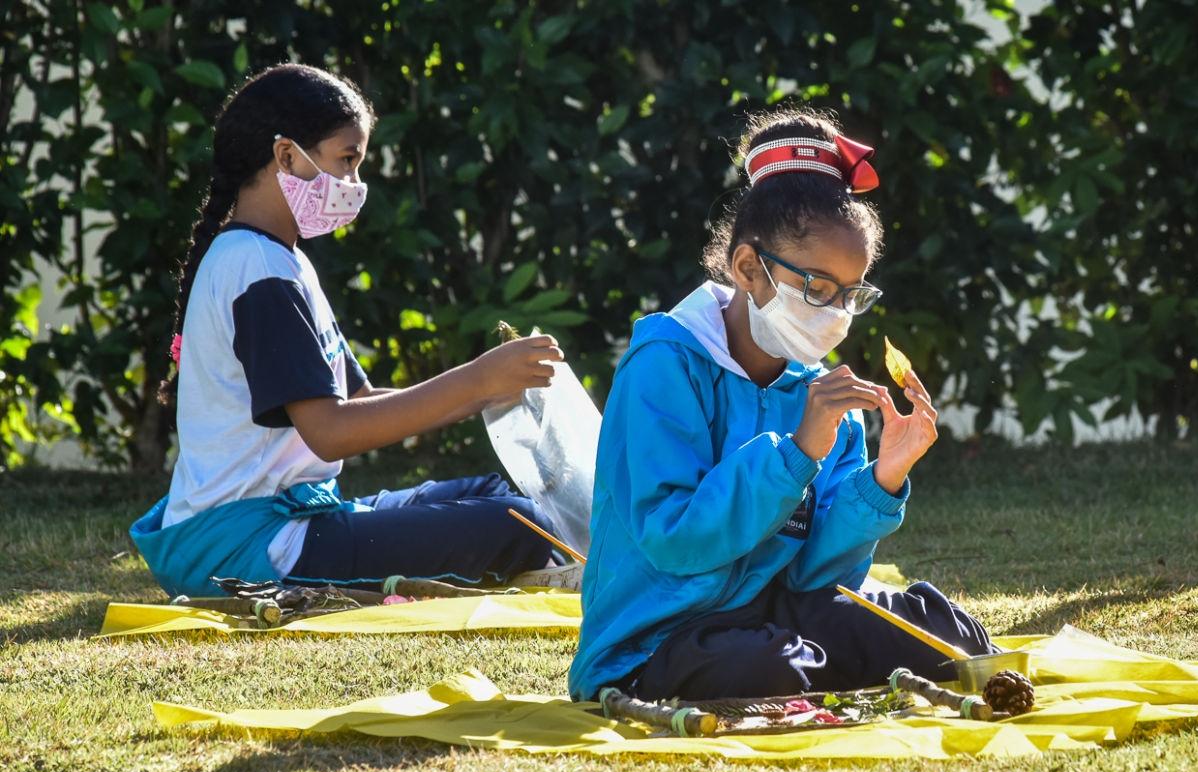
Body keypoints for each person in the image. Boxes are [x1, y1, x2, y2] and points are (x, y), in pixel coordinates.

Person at [568, 108, 997, 702]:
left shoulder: (825, 395)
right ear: (749, 267)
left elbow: (817, 577)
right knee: (762, 671)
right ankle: (793, 670)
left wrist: (882, 478)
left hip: (781, 620)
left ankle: (805, 666)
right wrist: (797, 454)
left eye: (852, 294)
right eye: (817, 289)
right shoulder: (664, 366)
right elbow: (675, 540)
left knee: (944, 637)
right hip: (659, 638)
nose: (837, 314)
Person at [131, 64, 562, 598]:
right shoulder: (256, 271)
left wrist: (492, 388)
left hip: (291, 520)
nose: (355, 185)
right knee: (516, 520)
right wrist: (477, 379)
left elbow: (361, 401)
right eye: (347, 161)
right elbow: (331, 430)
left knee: (501, 495)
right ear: (286, 156)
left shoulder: (281, 261)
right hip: (249, 547)